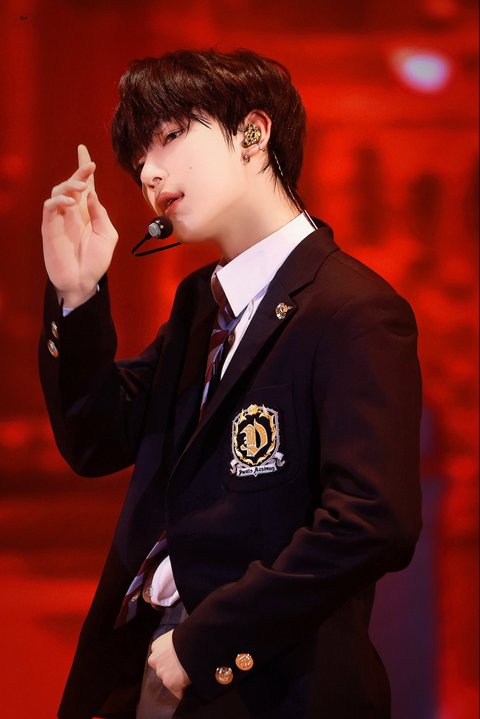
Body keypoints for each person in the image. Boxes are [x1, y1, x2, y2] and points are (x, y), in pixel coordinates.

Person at [39, 49, 422, 719]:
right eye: (139, 160)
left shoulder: (353, 310)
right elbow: (98, 440)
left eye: (169, 136)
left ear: (252, 134)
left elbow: (372, 521)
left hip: (265, 684)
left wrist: (203, 643)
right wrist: (77, 295)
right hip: (143, 663)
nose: (149, 173)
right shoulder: (201, 303)